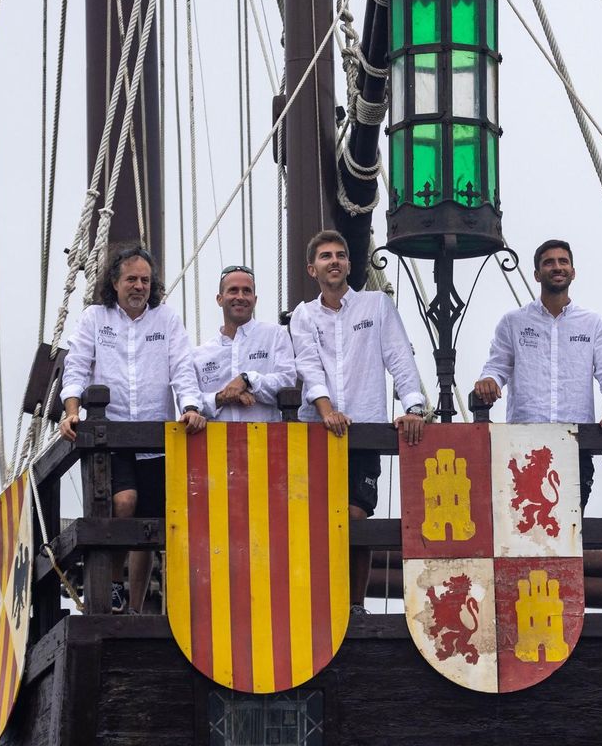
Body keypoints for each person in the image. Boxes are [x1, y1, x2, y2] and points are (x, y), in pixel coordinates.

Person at [60, 246, 205, 611]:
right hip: (113, 435)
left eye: (145, 280)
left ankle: (136, 608)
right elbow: (76, 366)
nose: (139, 286)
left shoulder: (166, 320)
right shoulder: (95, 318)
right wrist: (72, 411)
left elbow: (183, 368)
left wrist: (190, 406)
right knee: (124, 504)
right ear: (115, 282)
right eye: (131, 279)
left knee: (151, 527)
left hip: (156, 438)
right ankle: (112, 584)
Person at [474, 239, 602, 507]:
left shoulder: (592, 323)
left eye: (563, 261)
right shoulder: (513, 322)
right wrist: (488, 381)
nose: (557, 267)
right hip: (523, 442)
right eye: (549, 262)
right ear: (537, 274)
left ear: (572, 271)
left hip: (576, 442)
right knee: (523, 528)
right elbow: (496, 366)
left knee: (571, 528)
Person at [289, 230, 429, 523]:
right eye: (326, 256)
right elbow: (309, 366)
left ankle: (355, 573)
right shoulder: (304, 314)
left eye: (341, 255)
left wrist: (414, 410)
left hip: (365, 428)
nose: (335, 261)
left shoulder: (377, 304)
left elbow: (400, 357)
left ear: (350, 266)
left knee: (357, 515)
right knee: (316, 520)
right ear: (312, 269)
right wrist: (328, 413)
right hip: (317, 430)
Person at [192, 265, 296, 422]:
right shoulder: (200, 355)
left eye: (246, 291)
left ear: (255, 300)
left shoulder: (275, 335)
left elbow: (286, 383)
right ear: (219, 299)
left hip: (267, 442)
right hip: (217, 444)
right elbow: (191, 404)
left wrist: (248, 380)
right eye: (233, 290)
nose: (240, 296)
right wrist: (222, 398)